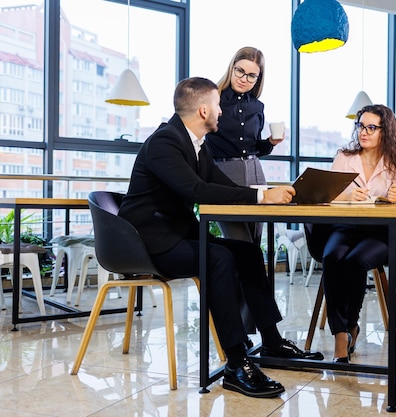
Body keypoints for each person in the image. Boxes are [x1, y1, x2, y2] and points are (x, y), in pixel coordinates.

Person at [118, 77, 323, 399]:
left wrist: (267, 193)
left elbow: (221, 185)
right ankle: (236, 364)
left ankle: (270, 341)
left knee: (247, 252)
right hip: (146, 244)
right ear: (203, 110)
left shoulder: (197, 145)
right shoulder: (164, 142)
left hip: (173, 236)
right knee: (219, 257)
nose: (221, 113)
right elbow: (196, 191)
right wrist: (262, 199)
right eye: (217, 106)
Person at [315, 104, 396, 362]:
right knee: (331, 257)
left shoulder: (395, 161)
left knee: (355, 262)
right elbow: (326, 192)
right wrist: (347, 195)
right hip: (344, 227)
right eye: (361, 126)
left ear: (386, 131)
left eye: (371, 127)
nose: (364, 132)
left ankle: (351, 325)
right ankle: (340, 333)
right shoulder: (345, 157)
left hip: (379, 233)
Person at [206, 46, 283, 244]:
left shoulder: (257, 106)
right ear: (232, 68)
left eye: (251, 76)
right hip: (223, 172)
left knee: (255, 240)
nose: (244, 79)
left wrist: (271, 143)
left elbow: (255, 147)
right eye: (240, 71)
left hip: (255, 170)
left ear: (258, 79)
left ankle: (254, 276)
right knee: (239, 240)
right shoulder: (213, 99)